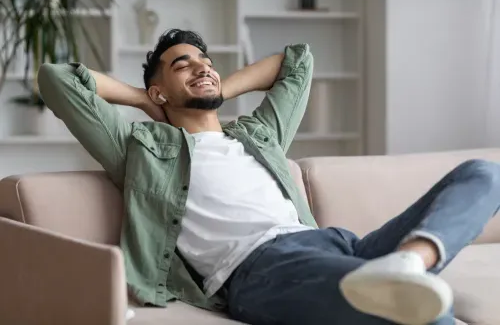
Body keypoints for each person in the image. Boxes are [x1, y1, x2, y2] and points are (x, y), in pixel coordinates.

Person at [37, 29, 500, 325]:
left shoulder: (258, 133)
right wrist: (145, 99)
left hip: (338, 244)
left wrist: (212, 86)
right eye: (183, 64)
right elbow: (57, 79)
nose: (202, 65)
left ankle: (411, 261)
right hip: (261, 269)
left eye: (206, 60)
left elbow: (297, 62)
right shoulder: (142, 148)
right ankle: (401, 281)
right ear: (160, 88)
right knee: (422, 314)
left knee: (484, 174)